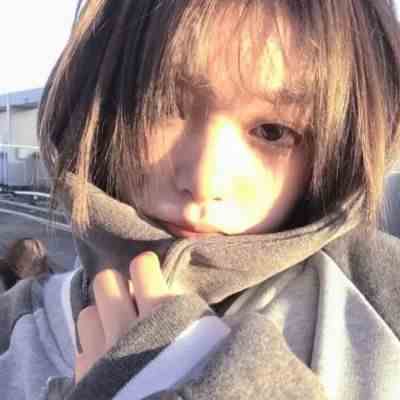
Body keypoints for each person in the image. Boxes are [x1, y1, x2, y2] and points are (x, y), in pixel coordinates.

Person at [1, 1, 400, 399]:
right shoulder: (16, 329)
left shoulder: (382, 301)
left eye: (273, 131)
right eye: (161, 105)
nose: (205, 181)